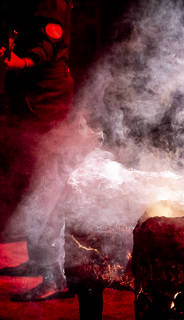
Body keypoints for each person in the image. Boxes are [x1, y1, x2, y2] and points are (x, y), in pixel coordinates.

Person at [0, 0, 74, 301]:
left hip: (47, 105)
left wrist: (21, 62)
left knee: (48, 188)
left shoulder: (51, 2)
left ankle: (55, 276)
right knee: (33, 184)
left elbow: (48, 44)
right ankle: (38, 261)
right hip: (31, 102)